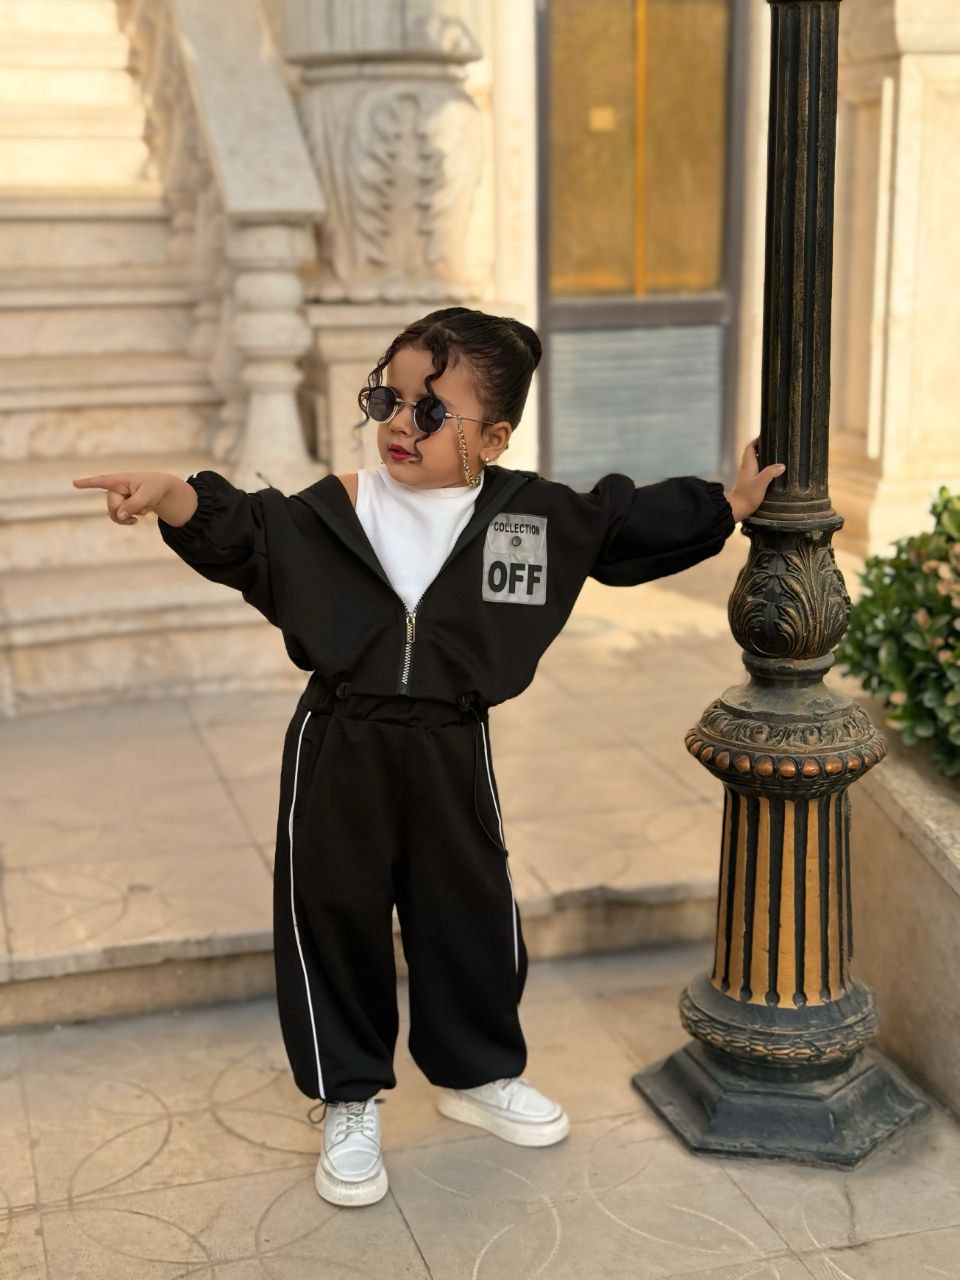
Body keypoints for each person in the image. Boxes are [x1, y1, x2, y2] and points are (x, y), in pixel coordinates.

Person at [72, 306, 784, 1209]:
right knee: (333, 912)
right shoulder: (335, 508)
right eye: (388, 400)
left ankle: (476, 1073)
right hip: (342, 742)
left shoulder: (531, 517)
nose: (401, 425)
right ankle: (348, 1096)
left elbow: (622, 525)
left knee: (470, 909)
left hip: (453, 743)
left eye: (432, 411)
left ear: (495, 436)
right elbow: (244, 532)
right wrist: (171, 492)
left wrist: (730, 504)